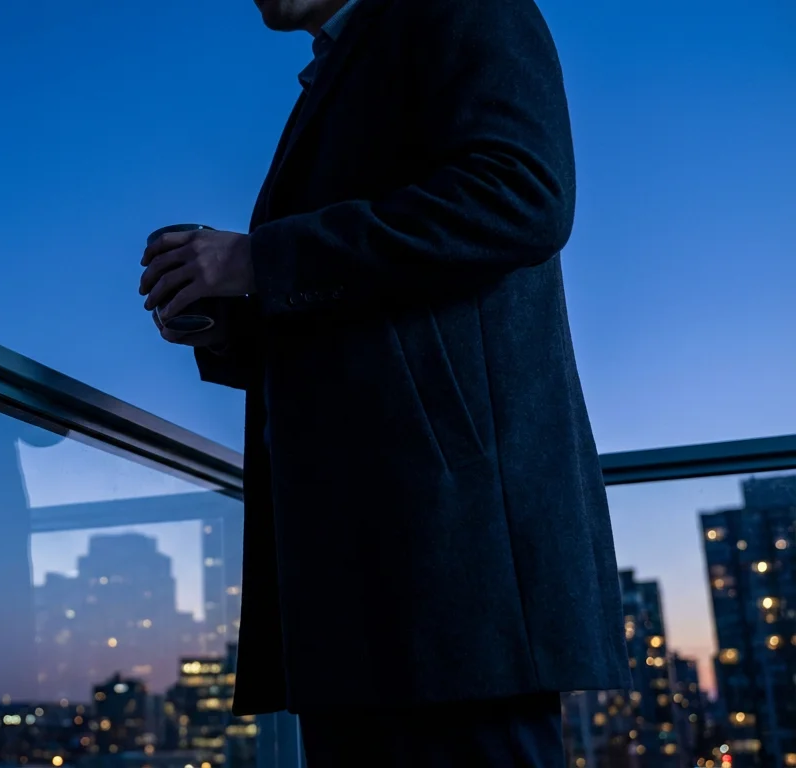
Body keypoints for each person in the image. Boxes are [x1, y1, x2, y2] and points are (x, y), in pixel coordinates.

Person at [138, 0, 629, 764]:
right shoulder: (340, 69)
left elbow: (522, 194)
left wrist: (260, 261)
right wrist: (230, 315)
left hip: (449, 551)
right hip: (356, 561)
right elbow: (369, 309)